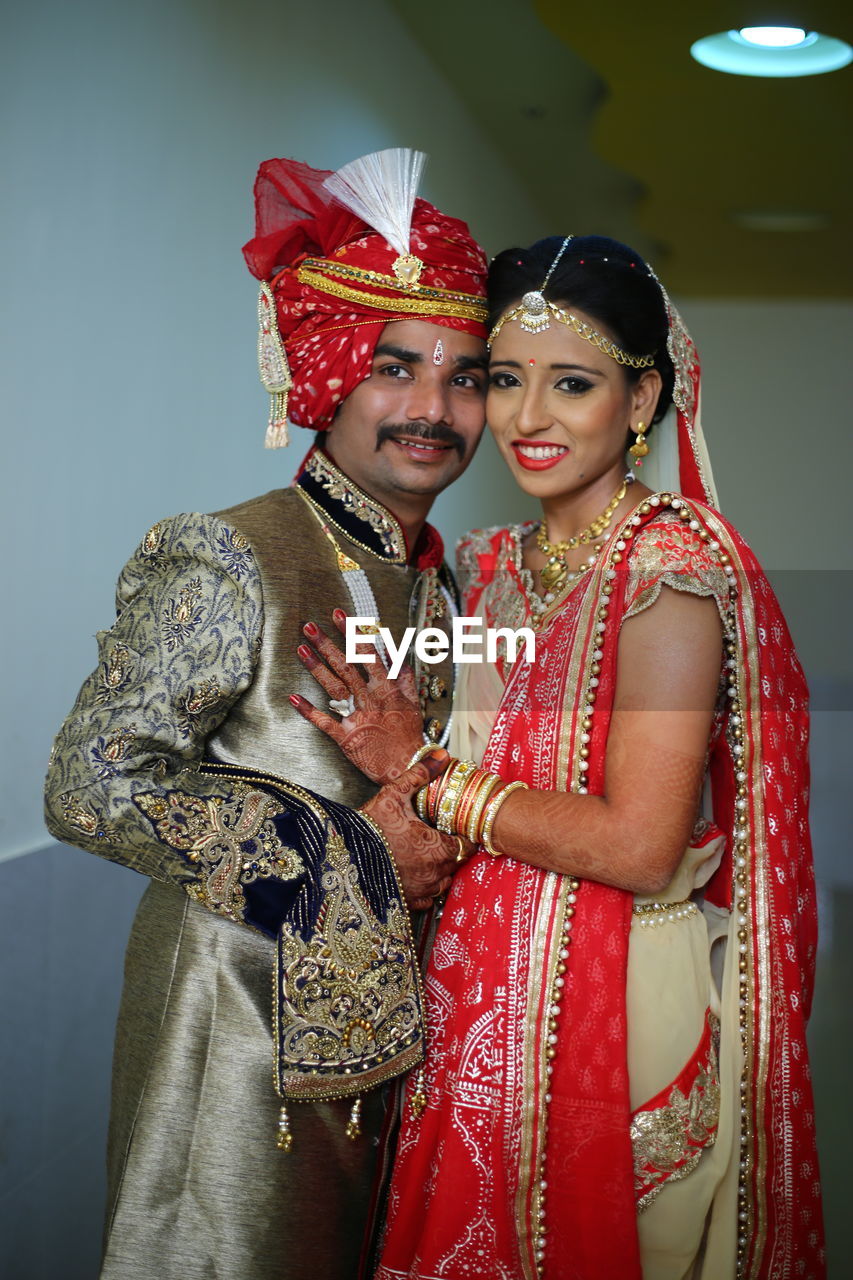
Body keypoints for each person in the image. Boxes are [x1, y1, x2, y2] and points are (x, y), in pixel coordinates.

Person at [294, 235, 825, 1278]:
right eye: (504, 381)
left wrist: (425, 771)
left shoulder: (667, 571)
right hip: (482, 995)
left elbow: (637, 842)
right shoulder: (495, 565)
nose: (527, 419)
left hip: (614, 1005)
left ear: (638, 400)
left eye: (570, 384)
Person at [43, 147, 490, 1280]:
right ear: (332, 371)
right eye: (396, 367)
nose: (433, 409)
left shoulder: (442, 579)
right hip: (230, 1045)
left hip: (381, 1049)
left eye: (465, 375)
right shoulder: (235, 552)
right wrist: (348, 851)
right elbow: (92, 784)